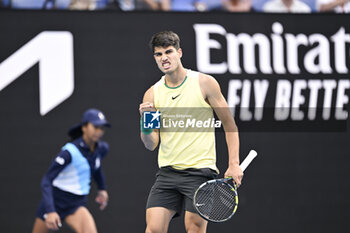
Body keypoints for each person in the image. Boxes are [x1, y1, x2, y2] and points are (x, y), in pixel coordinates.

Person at [139, 31, 242, 233]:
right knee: (153, 229)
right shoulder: (152, 94)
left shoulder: (204, 84)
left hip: (200, 173)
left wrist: (234, 164)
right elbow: (151, 144)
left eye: (168, 52)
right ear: (155, 58)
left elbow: (230, 125)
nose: (164, 58)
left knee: (194, 229)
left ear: (179, 52)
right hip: (168, 173)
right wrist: (145, 123)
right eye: (159, 54)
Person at [32, 108, 111, 233]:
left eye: (102, 128)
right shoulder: (69, 152)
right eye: (95, 126)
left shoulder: (101, 148)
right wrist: (51, 210)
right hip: (55, 200)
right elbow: (47, 180)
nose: (99, 131)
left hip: (76, 204)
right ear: (84, 127)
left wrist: (102, 188)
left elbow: (96, 167)